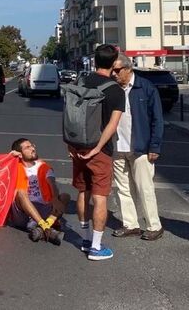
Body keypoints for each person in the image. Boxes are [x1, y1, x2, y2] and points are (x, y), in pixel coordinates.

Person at [69, 43, 125, 261]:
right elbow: (112, 125)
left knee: (83, 192)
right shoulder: (115, 90)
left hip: (77, 146)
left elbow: (70, 115)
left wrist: (70, 144)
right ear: (114, 63)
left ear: (94, 60)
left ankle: (84, 238)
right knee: (100, 197)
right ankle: (96, 246)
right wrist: (98, 148)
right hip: (98, 150)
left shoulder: (80, 82)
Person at [110, 54, 165, 241]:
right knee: (123, 188)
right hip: (117, 146)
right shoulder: (112, 89)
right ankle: (130, 224)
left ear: (128, 69)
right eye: (112, 70)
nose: (114, 74)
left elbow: (157, 119)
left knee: (144, 188)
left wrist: (155, 147)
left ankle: (153, 226)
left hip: (141, 147)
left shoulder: (146, 88)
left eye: (117, 70)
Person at [8, 138, 70, 245]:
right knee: (21, 193)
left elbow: (52, 184)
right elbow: (0, 166)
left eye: (32, 145)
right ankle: (45, 226)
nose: (32, 148)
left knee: (65, 196)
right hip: (23, 212)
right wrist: (10, 157)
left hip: (43, 208)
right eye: (28, 147)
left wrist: (55, 199)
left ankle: (42, 228)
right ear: (20, 154)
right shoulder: (14, 167)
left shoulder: (43, 166)